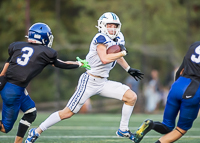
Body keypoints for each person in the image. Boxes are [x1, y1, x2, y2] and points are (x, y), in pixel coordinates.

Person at [25, 12, 144, 143]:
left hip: (103, 81)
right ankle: (36, 131)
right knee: (67, 113)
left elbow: (117, 55)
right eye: (109, 25)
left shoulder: (119, 37)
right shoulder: (100, 38)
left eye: (115, 26)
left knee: (131, 97)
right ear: (102, 25)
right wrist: (122, 52)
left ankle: (123, 130)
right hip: (89, 81)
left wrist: (128, 69)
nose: (112, 28)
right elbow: (104, 58)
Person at [0, 22, 90, 143]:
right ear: (44, 37)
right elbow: (60, 64)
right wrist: (79, 64)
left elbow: (8, 62)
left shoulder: (17, 46)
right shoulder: (46, 52)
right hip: (13, 91)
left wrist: (1, 76)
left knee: (31, 113)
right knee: (5, 128)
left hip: (12, 87)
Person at [133, 41, 200, 143]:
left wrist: (176, 88)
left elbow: (180, 70)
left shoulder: (195, 45)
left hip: (177, 86)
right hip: (193, 91)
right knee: (180, 130)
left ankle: (151, 124)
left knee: (167, 126)